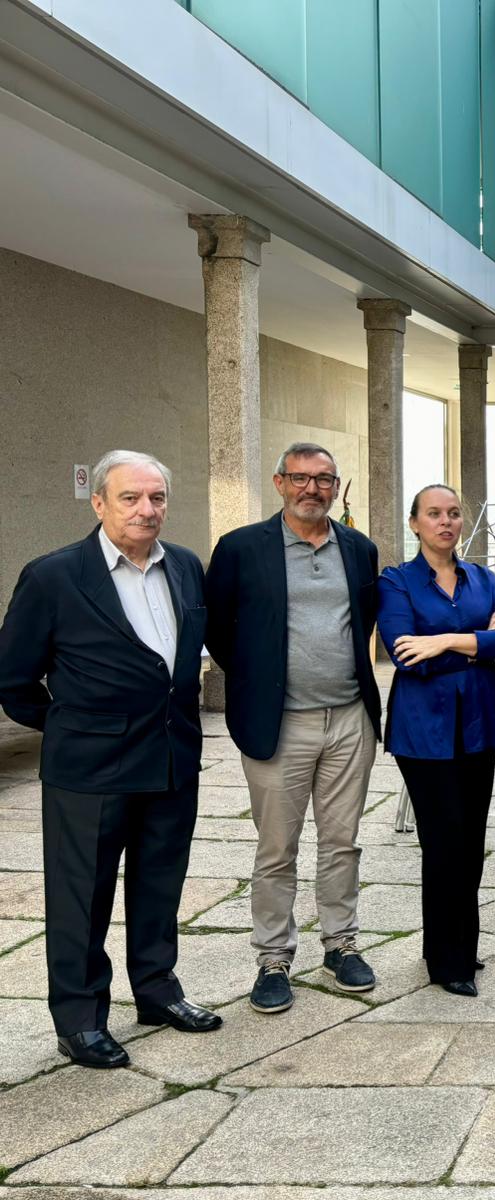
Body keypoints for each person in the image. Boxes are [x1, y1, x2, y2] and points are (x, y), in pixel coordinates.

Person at [0, 451, 221, 1068]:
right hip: (88, 774)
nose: (146, 510)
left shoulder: (183, 566)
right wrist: (75, 726)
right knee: (81, 896)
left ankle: (157, 992)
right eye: (130, 498)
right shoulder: (53, 576)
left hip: (171, 759)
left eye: (156, 498)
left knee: (159, 885)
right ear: (99, 503)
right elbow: (12, 679)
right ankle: (79, 1019)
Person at [206, 442, 382, 1014]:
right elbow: (218, 630)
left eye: (324, 480)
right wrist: (261, 681)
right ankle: (273, 959)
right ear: (280, 483)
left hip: (349, 719)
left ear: (336, 486)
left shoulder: (358, 548)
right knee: (276, 846)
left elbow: (364, 622)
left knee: (342, 842)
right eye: (301, 479)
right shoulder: (240, 549)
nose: (313, 489)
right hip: (278, 725)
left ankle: (341, 944)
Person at [376, 485, 495, 995]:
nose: (446, 522)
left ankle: (464, 946)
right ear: (415, 523)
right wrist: (478, 640)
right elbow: (403, 652)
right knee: (443, 842)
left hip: (478, 724)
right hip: (423, 732)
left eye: (454, 513)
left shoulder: (484, 578)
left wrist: (441, 639)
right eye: (434, 514)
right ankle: (445, 960)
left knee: (472, 841)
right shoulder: (396, 582)